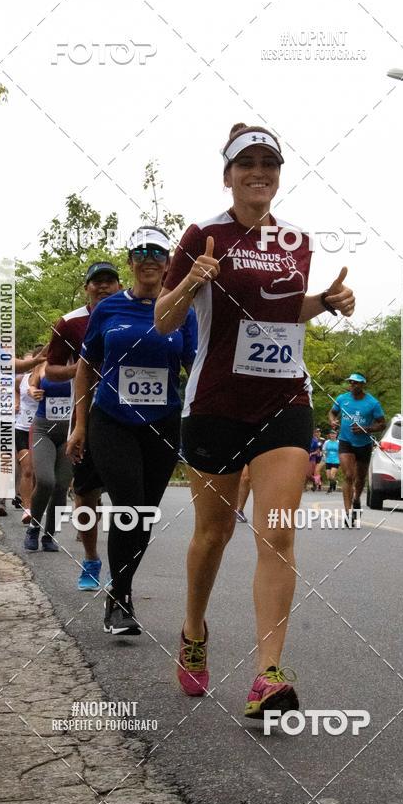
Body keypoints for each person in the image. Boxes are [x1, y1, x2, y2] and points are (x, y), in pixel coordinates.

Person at [155, 122, 355, 717]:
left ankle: (268, 673)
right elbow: (165, 320)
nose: (259, 173)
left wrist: (327, 302)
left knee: (278, 530)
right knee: (212, 534)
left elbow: (284, 310)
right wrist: (191, 280)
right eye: (248, 164)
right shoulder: (203, 234)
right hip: (215, 403)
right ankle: (194, 629)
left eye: (270, 163)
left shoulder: (295, 240)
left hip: (283, 400)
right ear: (229, 175)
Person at [68, 227, 197, 634]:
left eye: (157, 252)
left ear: (168, 262)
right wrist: (79, 425)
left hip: (162, 423)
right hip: (112, 420)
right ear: (131, 262)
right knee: (128, 504)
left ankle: (118, 592)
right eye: (140, 251)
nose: (149, 258)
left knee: (143, 514)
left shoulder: (184, 310)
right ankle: (121, 600)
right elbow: (86, 366)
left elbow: (195, 369)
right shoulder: (108, 309)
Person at [45, 261, 121, 590]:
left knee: (129, 497)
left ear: (119, 285)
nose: (103, 287)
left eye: (109, 281)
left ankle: (123, 571)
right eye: (96, 282)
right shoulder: (71, 323)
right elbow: (49, 370)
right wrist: (80, 369)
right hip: (88, 415)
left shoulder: (137, 313)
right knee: (86, 492)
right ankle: (91, 559)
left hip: (129, 415)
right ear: (86, 287)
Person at [24, 360, 72, 552]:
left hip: (70, 433)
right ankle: (34, 527)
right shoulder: (46, 362)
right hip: (44, 429)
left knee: (61, 485)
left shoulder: (84, 361)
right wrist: (32, 391)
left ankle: (49, 535)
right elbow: (32, 384)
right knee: (45, 481)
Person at [328, 373, 386, 523]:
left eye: (357, 383)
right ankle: (348, 513)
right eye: (351, 382)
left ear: (363, 384)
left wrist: (366, 428)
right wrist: (333, 421)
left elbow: (382, 424)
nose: (353, 385)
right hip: (345, 441)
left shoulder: (372, 403)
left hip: (364, 444)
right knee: (348, 475)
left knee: (360, 478)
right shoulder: (342, 399)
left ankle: (356, 499)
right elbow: (332, 413)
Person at [14, 345, 45, 525]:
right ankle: (27, 509)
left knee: (41, 474)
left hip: (43, 430)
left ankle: (40, 505)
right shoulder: (21, 379)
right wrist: (17, 401)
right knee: (27, 469)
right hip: (23, 429)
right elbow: (16, 390)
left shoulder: (49, 380)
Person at [308, 427, 323, 491]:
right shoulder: (311, 439)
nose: (317, 433)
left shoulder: (321, 440)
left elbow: (320, 450)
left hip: (318, 458)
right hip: (312, 457)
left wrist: (312, 453)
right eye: (316, 432)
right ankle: (317, 483)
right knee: (312, 472)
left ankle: (318, 483)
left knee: (315, 472)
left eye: (318, 432)